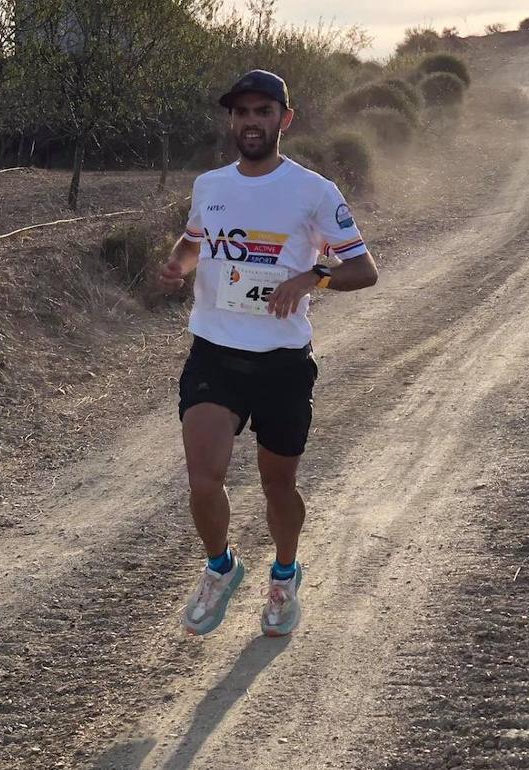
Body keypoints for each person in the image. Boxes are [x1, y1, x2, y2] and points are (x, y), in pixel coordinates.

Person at [156, 70, 379, 637]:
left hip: (281, 362)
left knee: (277, 484)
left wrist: (311, 280)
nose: (250, 122)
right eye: (241, 112)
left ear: (285, 118)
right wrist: (177, 265)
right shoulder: (210, 185)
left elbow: (362, 268)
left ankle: (284, 576)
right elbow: (194, 240)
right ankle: (221, 568)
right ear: (232, 121)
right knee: (203, 480)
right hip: (213, 353)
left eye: (262, 111)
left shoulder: (314, 191)